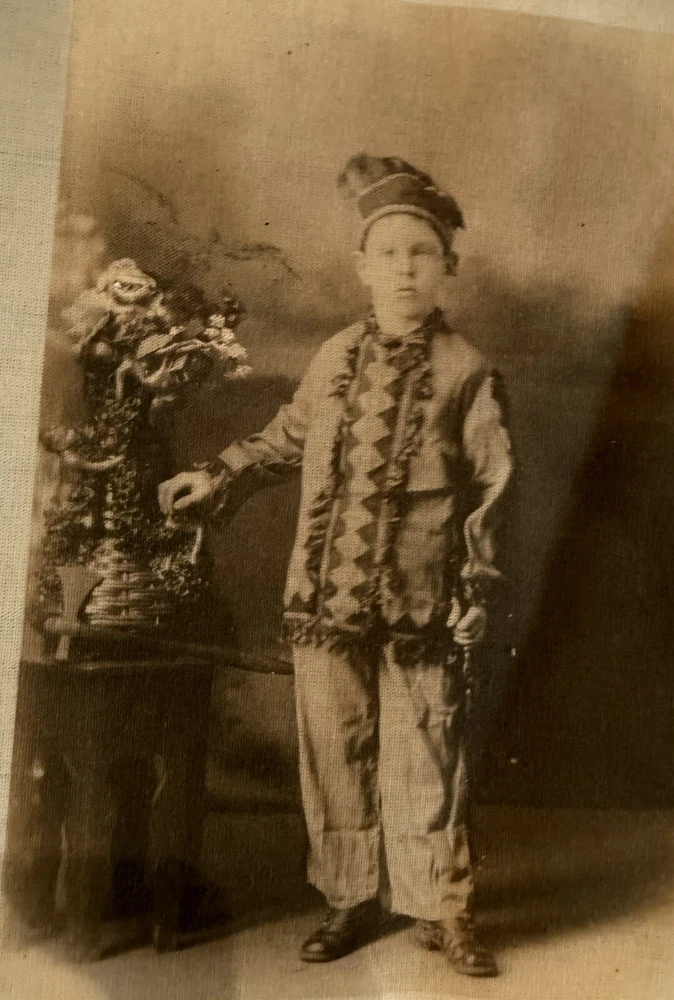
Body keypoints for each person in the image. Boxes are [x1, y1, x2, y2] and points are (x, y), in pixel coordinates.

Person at [158, 154, 513, 977]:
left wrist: (478, 588)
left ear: (449, 266)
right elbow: (285, 439)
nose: (404, 269)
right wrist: (216, 475)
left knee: (427, 758)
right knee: (334, 749)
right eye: (388, 253)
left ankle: (443, 908)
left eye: (421, 253)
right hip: (325, 599)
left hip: (423, 605)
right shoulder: (332, 357)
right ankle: (350, 898)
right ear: (361, 266)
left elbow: (495, 491)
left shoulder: (467, 372)